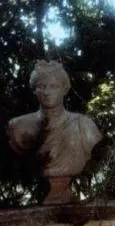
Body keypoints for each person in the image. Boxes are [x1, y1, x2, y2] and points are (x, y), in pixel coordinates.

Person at [7, 60, 102, 203]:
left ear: (64, 89)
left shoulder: (84, 126)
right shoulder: (18, 127)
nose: (47, 92)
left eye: (54, 86)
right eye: (41, 86)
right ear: (34, 90)